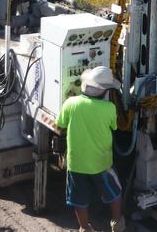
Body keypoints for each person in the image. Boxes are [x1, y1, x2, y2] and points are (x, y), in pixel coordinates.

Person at [56, 66, 125, 232]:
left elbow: (60, 125)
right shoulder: (109, 108)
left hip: (76, 163)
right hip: (101, 163)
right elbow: (114, 127)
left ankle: (84, 228)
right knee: (115, 192)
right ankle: (117, 224)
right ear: (104, 91)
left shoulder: (71, 103)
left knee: (79, 199)